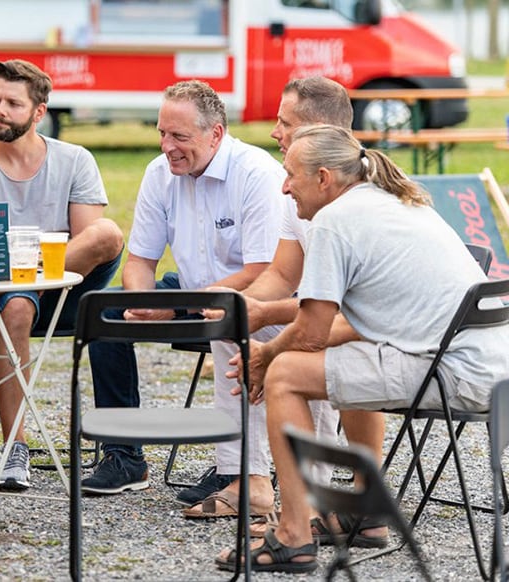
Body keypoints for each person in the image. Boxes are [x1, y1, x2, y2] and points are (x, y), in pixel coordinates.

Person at [215, 124, 509, 573]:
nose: (284, 185)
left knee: (287, 375)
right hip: (488, 366)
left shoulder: (337, 221)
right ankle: (366, 512)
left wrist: (265, 358)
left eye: (291, 173)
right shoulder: (397, 201)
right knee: (344, 358)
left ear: (324, 178)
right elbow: (356, 324)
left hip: (454, 374)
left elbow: (312, 332)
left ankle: (293, 536)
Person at [80, 80, 284, 518]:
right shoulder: (159, 173)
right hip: (192, 288)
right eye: (161, 133)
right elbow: (139, 259)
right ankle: (124, 456)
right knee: (103, 311)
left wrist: (176, 306)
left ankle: (244, 470)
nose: (167, 147)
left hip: (258, 294)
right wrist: (143, 300)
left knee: (230, 319)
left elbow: (265, 270)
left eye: (179, 137)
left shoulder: (256, 173)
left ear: (216, 134)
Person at [177, 77, 351, 511]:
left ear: (318, 132)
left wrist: (263, 316)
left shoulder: (347, 202)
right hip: (328, 314)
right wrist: (242, 309)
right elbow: (280, 271)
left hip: (368, 333)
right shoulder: (299, 190)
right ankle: (249, 480)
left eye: (283, 122)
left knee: (298, 350)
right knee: (231, 323)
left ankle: (312, 495)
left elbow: (339, 310)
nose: (274, 132)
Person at [0, 59, 125, 491]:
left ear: (38, 111)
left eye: (12, 102)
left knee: (107, 231)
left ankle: (21, 285)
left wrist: (29, 268)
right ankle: (15, 448)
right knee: (15, 304)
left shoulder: (74, 160)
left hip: (70, 294)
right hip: (1, 298)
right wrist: (17, 281)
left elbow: (88, 241)